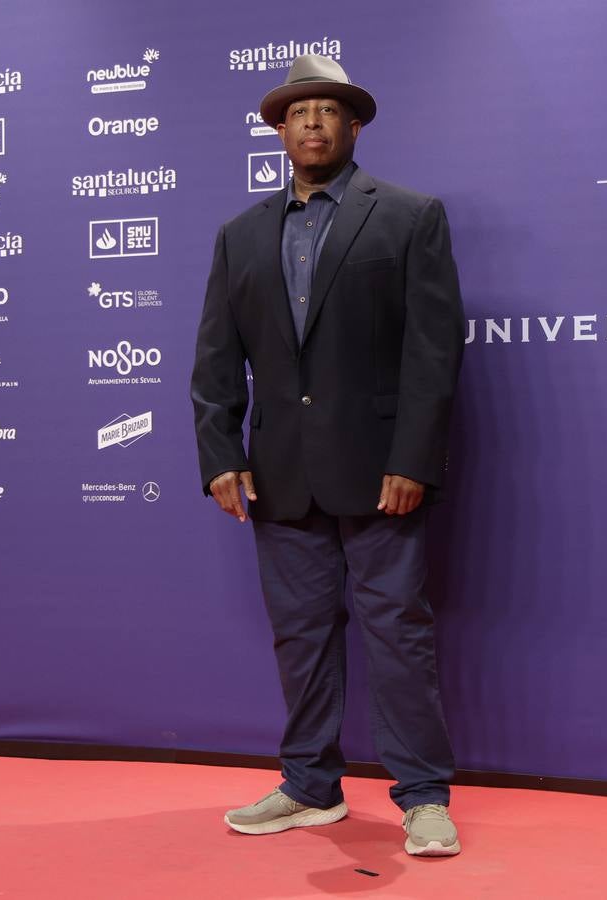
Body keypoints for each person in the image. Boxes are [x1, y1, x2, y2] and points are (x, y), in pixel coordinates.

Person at [190, 54, 466, 857]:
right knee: (300, 636)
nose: (312, 123)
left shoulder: (410, 216)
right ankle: (310, 786)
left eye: (328, 111)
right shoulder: (239, 235)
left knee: (396, 633)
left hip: (384, 472)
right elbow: (214, 360)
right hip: (278, 476)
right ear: (279, 130)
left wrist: (413, 458)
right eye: (297, 112)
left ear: (353, 126)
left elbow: (433, 351)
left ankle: (421, 796)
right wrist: (219, 455)